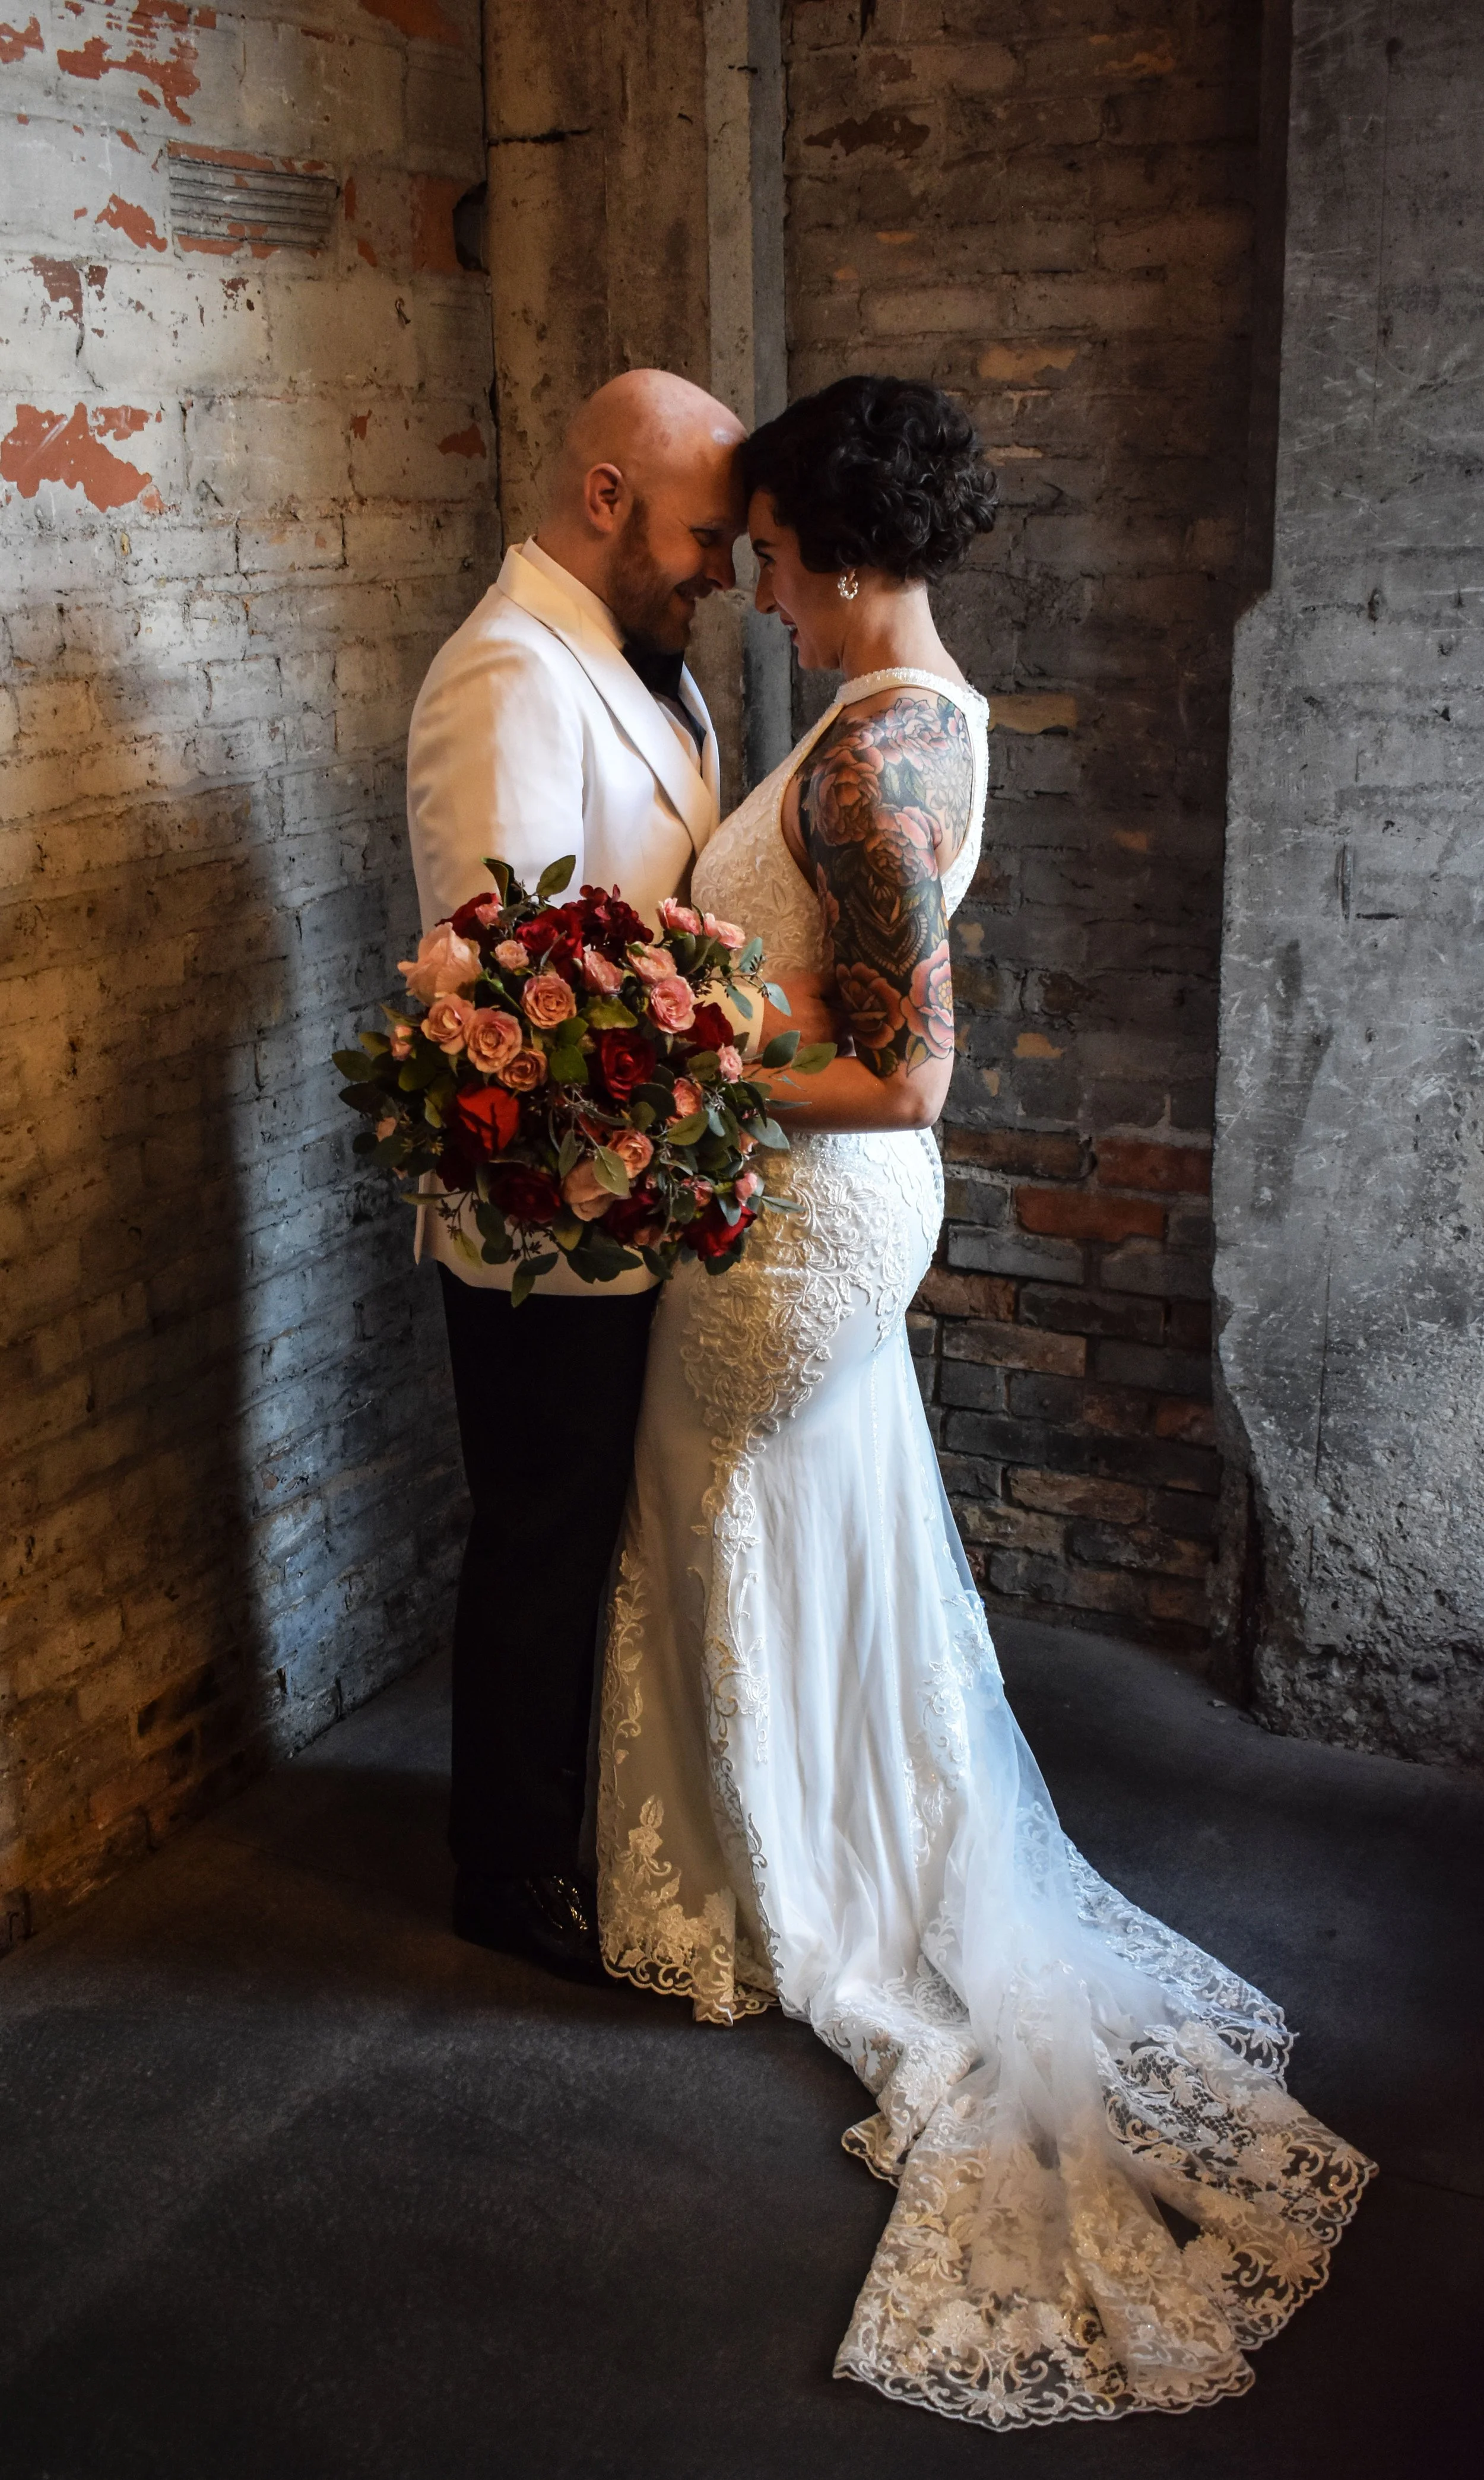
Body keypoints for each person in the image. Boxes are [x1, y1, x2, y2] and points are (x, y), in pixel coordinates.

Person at [595, 375, 1372, 2428]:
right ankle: (801, 1853)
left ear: (837, 549)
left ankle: (804, 1889)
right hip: (805, 1213)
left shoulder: (878, 763)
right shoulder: (900, 723)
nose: (749, 580)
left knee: (730, 1509)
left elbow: (908, 1075)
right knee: (801, 1524)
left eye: (763, 547)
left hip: (810, 1211)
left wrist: (676, 1072)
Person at [404, 370, 753, 1983]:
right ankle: (507, 1867)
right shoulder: (506, 674)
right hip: (544, 1207)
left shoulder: (647, 660)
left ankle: (579, 1815)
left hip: (639, 1187)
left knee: (596, 1528)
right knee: (540, 1528)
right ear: (605, 500)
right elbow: (510, 983)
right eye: (703, 536)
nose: (721, 572)